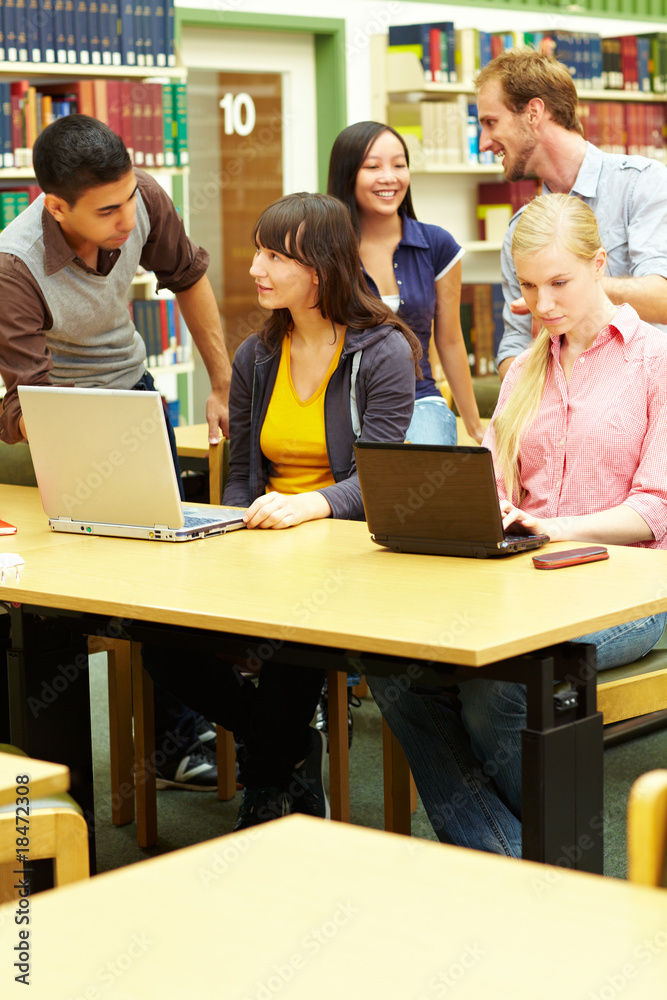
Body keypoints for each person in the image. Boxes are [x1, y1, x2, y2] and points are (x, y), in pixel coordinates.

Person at [367, 193, 667, 856]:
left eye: (558, 282)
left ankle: (522, 863)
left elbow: (653, 512)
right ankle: (529, 861)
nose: (542, 303)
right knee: (391, 663)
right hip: (523, 576)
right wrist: (482, 510)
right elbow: (492, 478)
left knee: (496, 686)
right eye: (528, 286)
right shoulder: (527, 367)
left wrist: (552, 529)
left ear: (599, 265)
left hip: (630, 588)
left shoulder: (654, 359)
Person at [142, 191, 421, 829]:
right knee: (159, 639)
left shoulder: (383, 352)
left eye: (273, 255)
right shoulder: (256, 356)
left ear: (320, 268)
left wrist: (308, 506)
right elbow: (242, 475)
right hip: (265, 546)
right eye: (257, 252)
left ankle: (267, 795)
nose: (255, 269)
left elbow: (379, 481)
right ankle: (290, 746)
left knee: (291, 643)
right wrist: (239, 536)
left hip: (349, 551)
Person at [0, 114, 233, 791]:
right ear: (57, 206)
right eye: (106, 210)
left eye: (129, 198)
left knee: (168, 579)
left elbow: (187, 277)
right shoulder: (15, 267)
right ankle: (54, 760)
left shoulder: (145, 200)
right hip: (64, 418)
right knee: (88, 582)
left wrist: (220, 381)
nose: (126, 217)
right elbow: (31, 404)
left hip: (135, 395)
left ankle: (172, 747)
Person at [475, 48, 667, 379]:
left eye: (491, 122)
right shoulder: (519, 231)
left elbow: (661, 299)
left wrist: (575, 289)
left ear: (533, 112)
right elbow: (514, 345)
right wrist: (529, 397)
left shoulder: (642, 183)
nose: (484, 142)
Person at [327, 120, 485, 446]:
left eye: (399, 165)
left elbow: (451, 340)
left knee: (425, 481)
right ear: (348, 175)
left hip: (420, 399)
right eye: (373, 166)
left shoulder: (437, 244)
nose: (390, 177)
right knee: (359, 489)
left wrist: (475, 426)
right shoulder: (326, 248)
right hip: (342, 402)